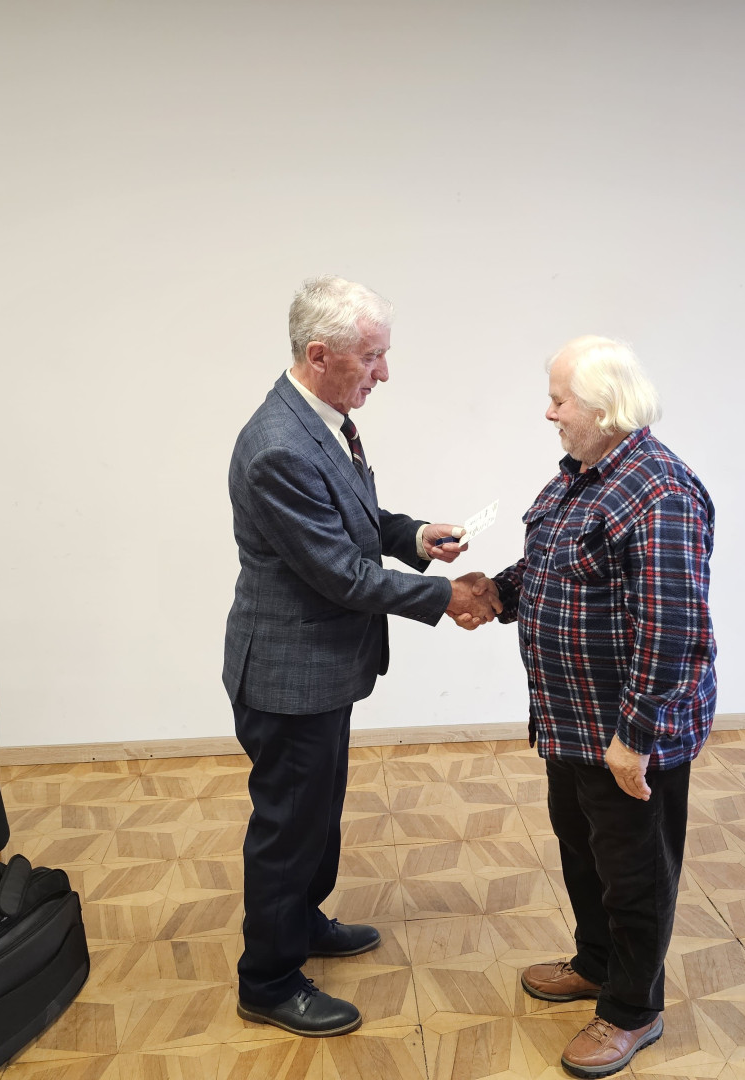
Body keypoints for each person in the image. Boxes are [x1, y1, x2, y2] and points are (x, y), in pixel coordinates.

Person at [223, 275, 500, 1037]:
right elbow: (339, 573)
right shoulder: (278, 446)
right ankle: (269, 981)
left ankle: (302, 921)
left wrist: (412, 536)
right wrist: (446, 596)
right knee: (288, 828)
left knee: (316, 814)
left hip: (320, 667)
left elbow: (349, 519)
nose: (384, 372)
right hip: (288, 674)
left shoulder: (321, 420)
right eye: (372, 356)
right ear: (320, 355)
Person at [486, 336, 716, 1078]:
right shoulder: (578, 480)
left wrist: (635, 736)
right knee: (583, 849)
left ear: (605, 407)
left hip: (623, 734)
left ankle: (632, 1009)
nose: (549, 413)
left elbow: (671, 628)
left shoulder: (660, 492)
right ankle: (595, 963)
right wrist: (493, 594)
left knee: (635, 872)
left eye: (560, 400)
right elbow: (547, 566)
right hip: (570, 720)